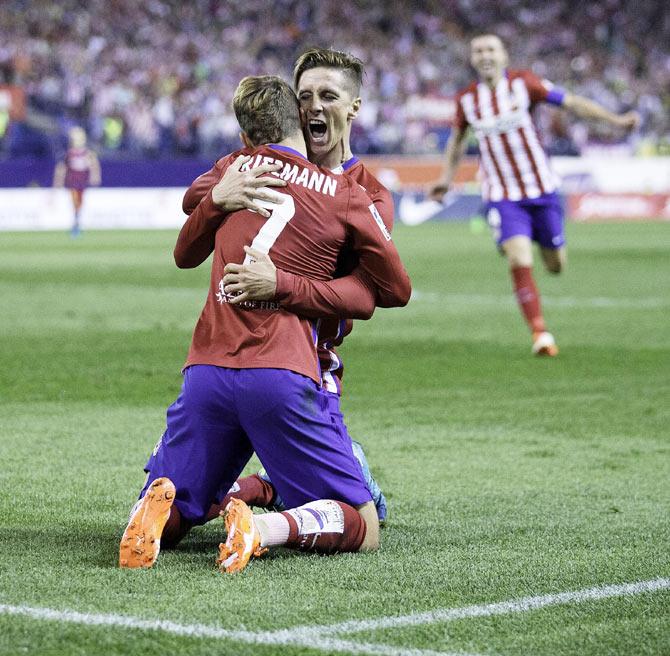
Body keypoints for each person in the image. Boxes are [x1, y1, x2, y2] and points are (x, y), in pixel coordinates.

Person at [119, 75, 411, 573]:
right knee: (366, 520)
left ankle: (157, 509)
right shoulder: (346, 192)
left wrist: (217, 198)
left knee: (186, 498)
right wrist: (285, 286)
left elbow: (185, 243)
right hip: (289, 372)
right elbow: (392, 291)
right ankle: (264, 527)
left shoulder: (234, 167)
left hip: (207, 369)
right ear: (299, 118)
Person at [203, 47, 397, 525]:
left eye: (328, 96)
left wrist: (281, 284)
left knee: (372, 510)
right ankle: (238, 488)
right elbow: (196, 196)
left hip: (312, 369)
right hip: (244, 358)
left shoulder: (367, 196)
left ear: (353, 107)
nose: (314, 106)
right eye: (304, 95)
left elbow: (369, 295)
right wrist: (216, 196)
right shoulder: (261, 163)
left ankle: (234, 489)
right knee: (361, 514)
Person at [429, 34, 639, 356]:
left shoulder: (524, 84)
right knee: (519, 258)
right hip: (503, 194)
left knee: (555, 265)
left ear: (504, 56)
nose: (485, 55)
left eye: (491, 50)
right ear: (472, 59)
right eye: (478, 51)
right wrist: (445, 178)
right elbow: (457, 141)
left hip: (542, 189)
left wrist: (615, 121)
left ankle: (530, 239)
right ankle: (540, 333)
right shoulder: (467, 100)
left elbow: (572, 103)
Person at [53, 126, 101, 237]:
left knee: (79, 203)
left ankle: (77, 224)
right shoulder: (69, 154)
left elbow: (94, 165)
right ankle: (76, 225)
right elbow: (62, 168)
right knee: (76, 202)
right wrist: (59, 182)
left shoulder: (86, 153)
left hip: (82, 182)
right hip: (73, 182)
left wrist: (95, 176)